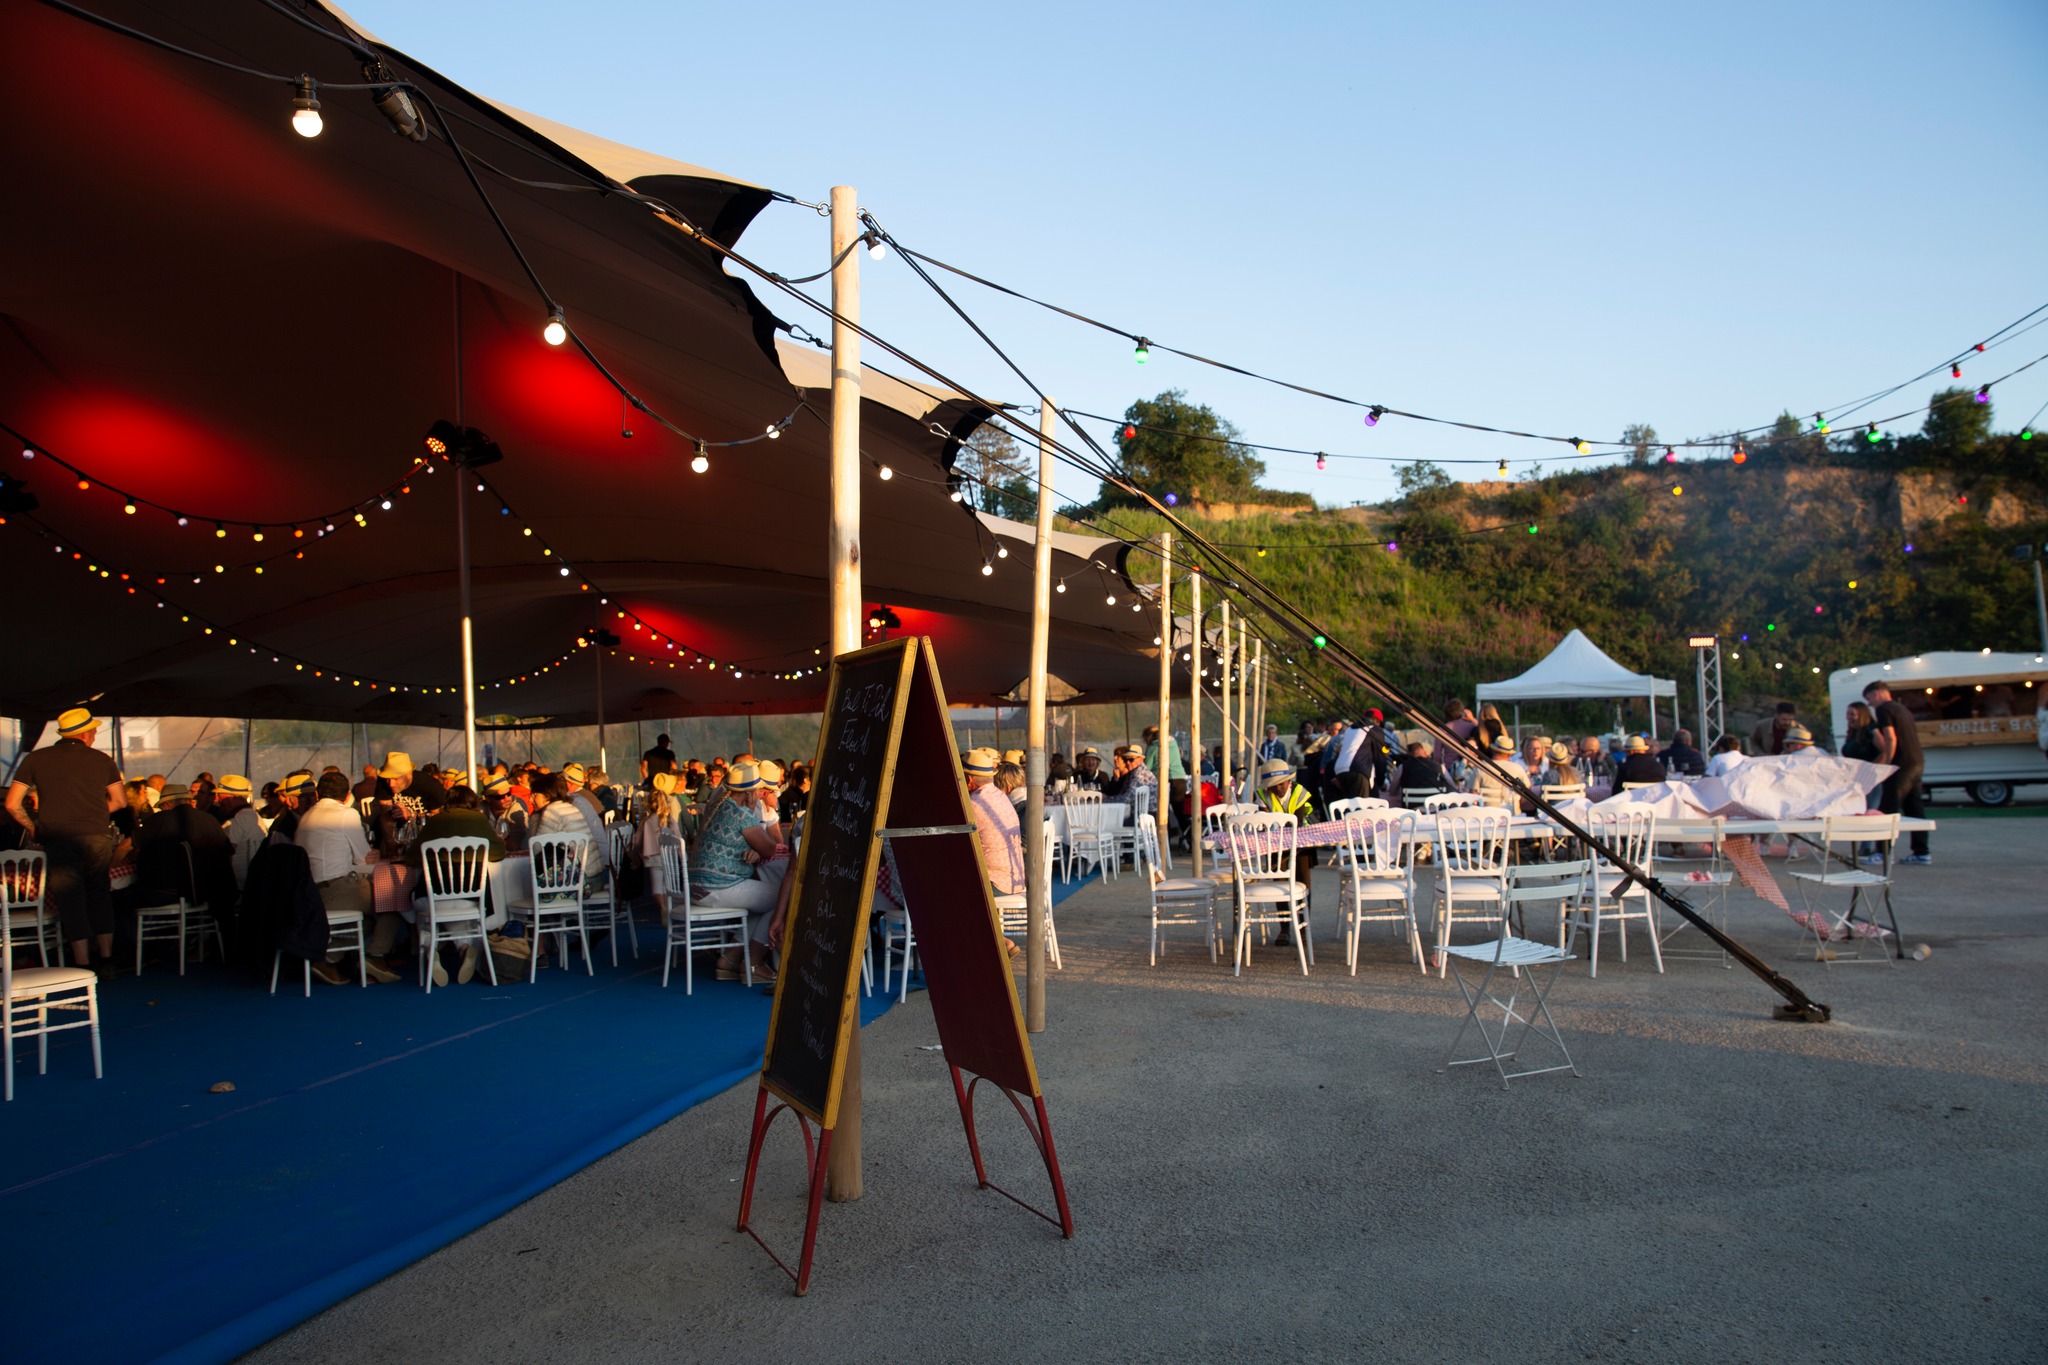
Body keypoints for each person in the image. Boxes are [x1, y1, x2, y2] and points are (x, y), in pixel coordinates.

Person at [5, 708, 126, 970]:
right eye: (93, 731)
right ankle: (106, 960)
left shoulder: (36, 759)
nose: (95, 735)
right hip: (96, 836)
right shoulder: (102, 760)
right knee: (99, 894)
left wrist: (34, 828)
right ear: (84, 734)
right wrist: (91, 811)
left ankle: (82, 964)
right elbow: (120, 801)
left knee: (70, 899)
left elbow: (12, 804)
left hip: (59, 838)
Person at [293, 771, 401, 984]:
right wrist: (377, 855)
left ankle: (328, 960)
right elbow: (363, 860)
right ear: (345, 795)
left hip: (310, 894)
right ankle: (375, 957)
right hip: (336, 889)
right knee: (394, 900)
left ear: (318, 794)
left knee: (368, 920)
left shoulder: (306, 817)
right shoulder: (346, 814)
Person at [691, 764, 783, 980]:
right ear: (751, 792)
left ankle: (730, 958)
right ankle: (754, 963)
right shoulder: (741, 813)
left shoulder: (717, 806)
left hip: (698, 885)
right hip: (719, 887)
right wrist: (752, 813)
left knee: (760, 904)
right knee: (781, 899)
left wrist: (754, 851)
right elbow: (770, 848)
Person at [963, 748, 1026, 953]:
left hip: (997, 881)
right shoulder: (999, 795)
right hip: (1014, 876)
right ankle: (996, 941)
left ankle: (985, 945)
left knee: (952, 890)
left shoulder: (974, 804)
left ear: (969, 780)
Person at [216, 774, 267, 888]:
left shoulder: (239, 819)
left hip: (241, 888)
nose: (218, 800)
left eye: (220, 796)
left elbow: (226, 853)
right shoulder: (253, 816)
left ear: (233, 797)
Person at [1473, 733, 1530, 811]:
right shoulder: (1518, 769)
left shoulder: (1480, 768)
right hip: (1512, 815)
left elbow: (1473, 796)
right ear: (1509, 755)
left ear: (1493, 750)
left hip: (1487, 816)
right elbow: (1527, 793)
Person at [1390, 740, 1447, 805]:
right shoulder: (1439, 767)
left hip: (1411, 810)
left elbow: (1392, 791)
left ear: (1409, 755)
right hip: (1436, 808)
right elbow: (1451, 787)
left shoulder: (1403, 767)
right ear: (1424, 752)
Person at [483, 773, 529, 853]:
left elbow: (513, 845)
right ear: (488, 799)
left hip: (518, 858)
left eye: (508, 793)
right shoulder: (481, 808)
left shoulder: (517, 805)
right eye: (500, 797)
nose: (507, 798)